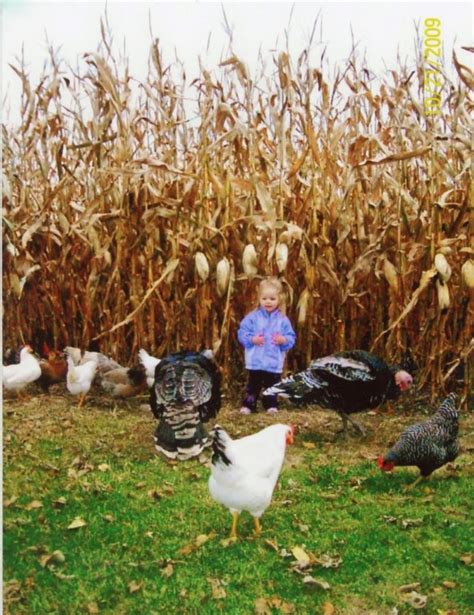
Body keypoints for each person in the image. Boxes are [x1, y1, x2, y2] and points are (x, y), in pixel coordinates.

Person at [237, 277, 296, 414]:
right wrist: (252, 339)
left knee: (272, 386)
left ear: (279, 299)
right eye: (264, 299)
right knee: (253, 386)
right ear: (259, 299)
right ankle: (249, 405)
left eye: (272, 299)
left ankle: (271, 405)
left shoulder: (282, 320)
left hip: (273, 362)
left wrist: (284, 340)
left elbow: (290, 337)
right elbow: (242, 333)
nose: (268, 302)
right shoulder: (252, 317)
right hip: (255, 361)